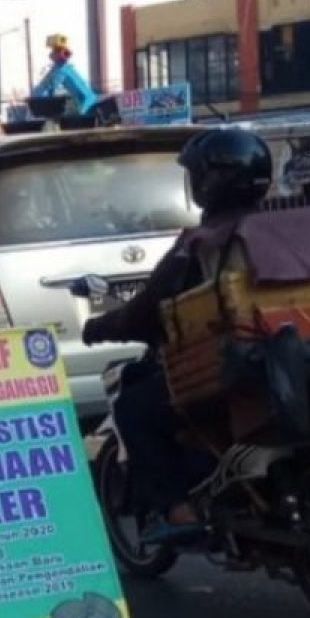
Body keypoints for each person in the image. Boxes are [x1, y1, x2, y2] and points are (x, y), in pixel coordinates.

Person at [81, 129, 273, 545]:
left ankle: (179, 509)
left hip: (233, 370)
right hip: (299, 363)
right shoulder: (286, 230)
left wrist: (100, 327)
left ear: (208, 182)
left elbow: (146, 311)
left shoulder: (202, 245)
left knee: (134, 408)